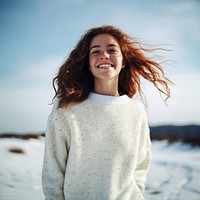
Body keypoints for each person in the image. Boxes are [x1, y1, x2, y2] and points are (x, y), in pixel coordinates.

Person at [42, 25, 172, 200]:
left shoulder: (136, 111)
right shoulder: (66, 109)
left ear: (123, 61)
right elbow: (53, 171)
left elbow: (140, 166)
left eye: (112, 50)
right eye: (95, 51)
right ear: (88, 63)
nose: (104, 55)